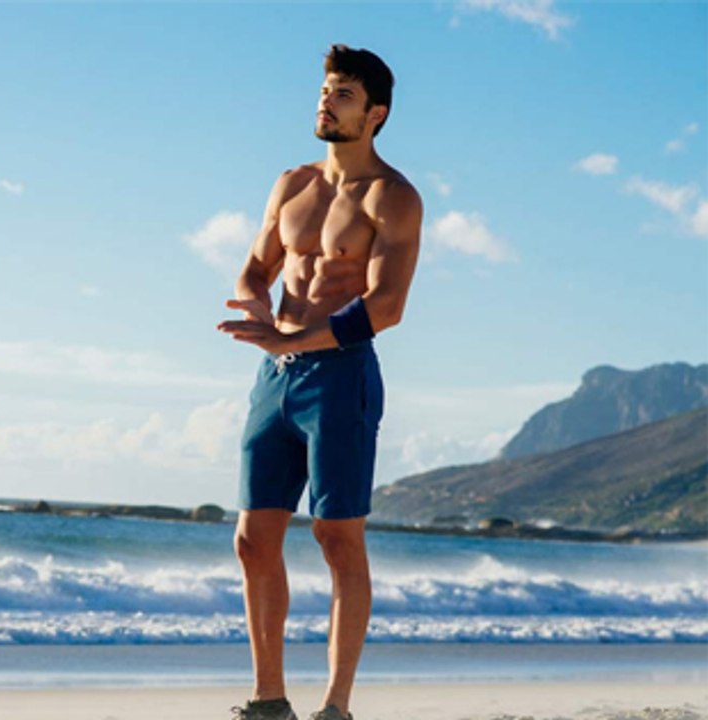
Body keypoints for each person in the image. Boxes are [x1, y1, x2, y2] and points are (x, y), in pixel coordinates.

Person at [215, 44, 423, 720]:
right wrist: (252, 303)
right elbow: (256, 265)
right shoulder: (292, 183)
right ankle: (269, 699)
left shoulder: (393, 197)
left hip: (339, 379)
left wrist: (293, 338)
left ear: (375, 115)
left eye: (343, 95)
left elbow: (385, 307)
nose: (326, 102)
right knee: (252, 538)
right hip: (274, 376)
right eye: (325, 90)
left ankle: (335, 706)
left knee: (337, 538)